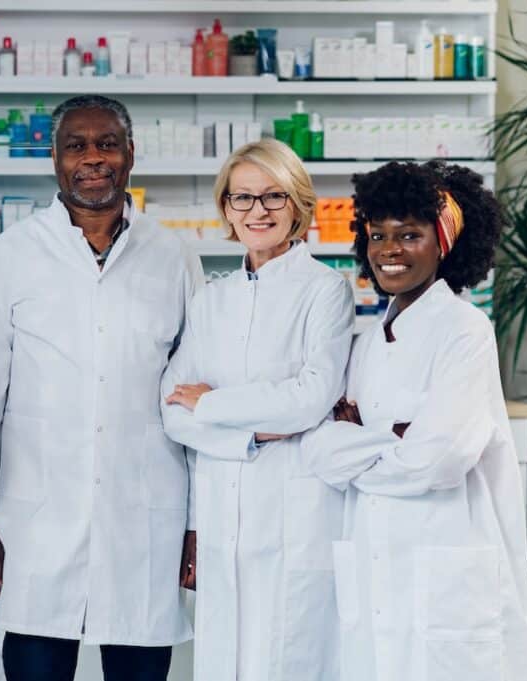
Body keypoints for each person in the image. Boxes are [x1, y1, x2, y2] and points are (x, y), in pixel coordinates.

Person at [0, 94, 202, 681]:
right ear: (53, 158)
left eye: (107, 144)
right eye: (77, 145)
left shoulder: (173, 258)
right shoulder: (10, 257)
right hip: (35, 527)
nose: (93, 158)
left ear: (130, 154)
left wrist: (200, 519)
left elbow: (198, 400)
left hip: (144, 522)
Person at [301, 160, 527, 681]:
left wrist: (360, 439)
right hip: (375, 565)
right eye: (378, 235)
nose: (389, 250)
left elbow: (438, 461)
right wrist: (393, 439)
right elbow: (319, 451)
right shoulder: (365, 344)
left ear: (443, 244)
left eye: (410, 235)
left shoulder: (465, 331)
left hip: (447, 565)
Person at [161, 139, 354, 681]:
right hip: (224, 506)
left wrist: (214, 405)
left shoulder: (325, 291)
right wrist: (247, 436)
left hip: (296, 505)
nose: (258, 211)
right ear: (225, 208)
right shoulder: (211, 301)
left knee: (290, 650)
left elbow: (311, 397)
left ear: (297, 205)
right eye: (242, 198)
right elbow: (173, 410)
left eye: (273, 196)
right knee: (225, 654)